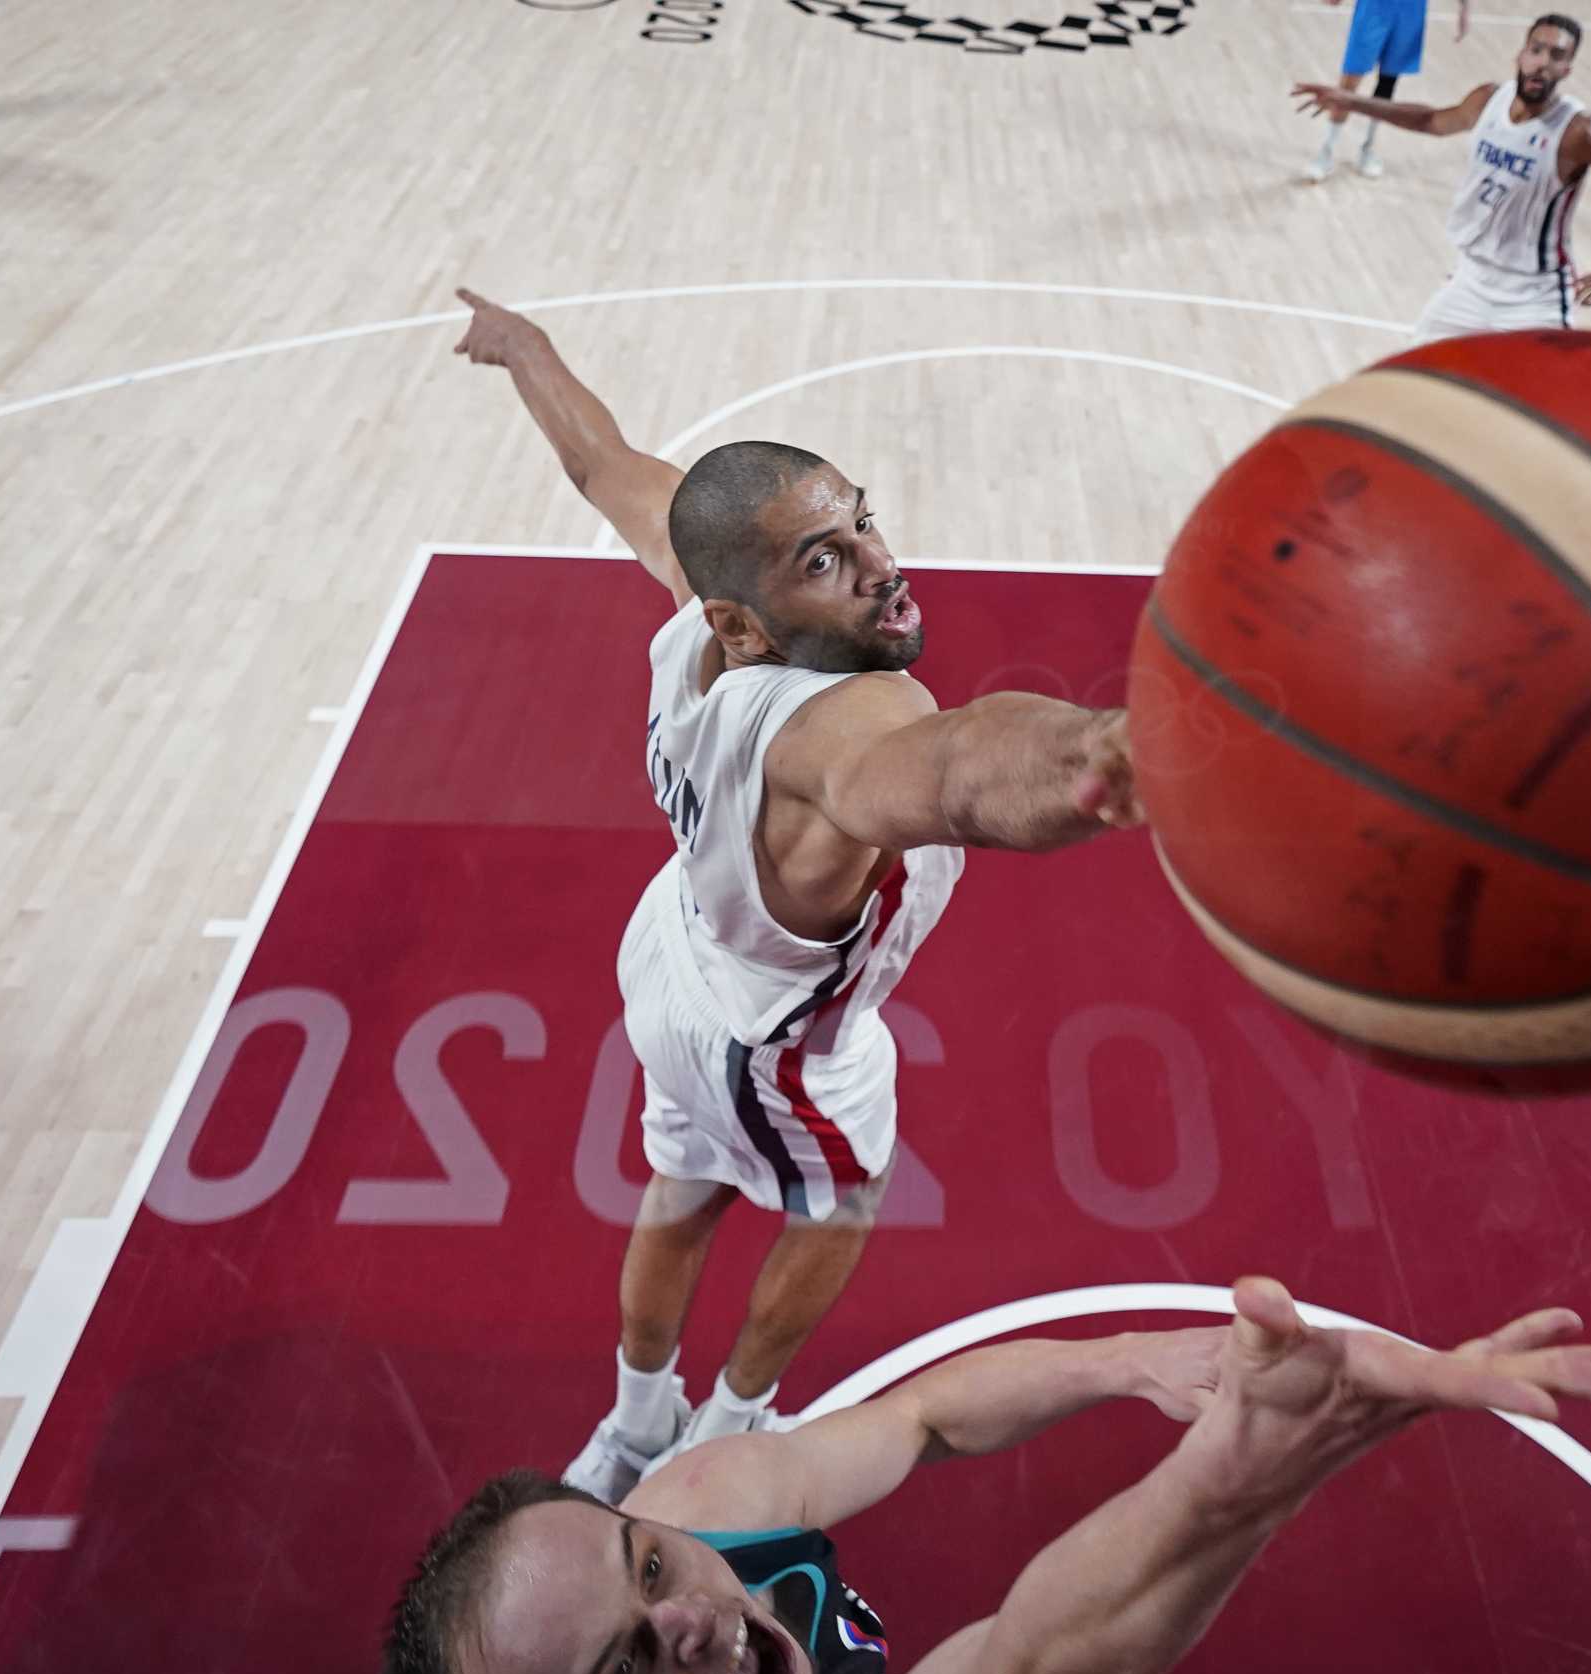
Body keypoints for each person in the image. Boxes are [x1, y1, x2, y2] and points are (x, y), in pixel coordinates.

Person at [452, 289, 1145, 1503]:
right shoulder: (845, 728)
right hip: (769, 1037)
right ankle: (735, 1418)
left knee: (680, 1187)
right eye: (826, 560)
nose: (883, 565)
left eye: (864, 523)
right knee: (842, 1199)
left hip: (669, 951)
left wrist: (523, 347)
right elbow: (964, 770)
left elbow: (597, 459)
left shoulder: (702, 595)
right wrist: (1108, 755)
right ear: (748, 621)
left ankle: (630, 1425)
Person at [380, 1277, 1591, 1674]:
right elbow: (1030, 1669)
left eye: (643, 1568)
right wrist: (1249, 1474)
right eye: (622, 1673)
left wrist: (1126, 1361)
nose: (685, 1617)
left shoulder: (698, 1504)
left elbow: (921, 1417)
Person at [1292, 15, 1591, 341]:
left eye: (1556, 56)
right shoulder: (1488, 101)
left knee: (1529, 412)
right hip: (1470, 279)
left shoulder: (1582, 132)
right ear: (1521, 54)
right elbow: (1430, 120)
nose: (1542, 62)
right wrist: (1354, 102)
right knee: (1417, 386)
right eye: (1537, 49)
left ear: (1566, 70)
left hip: (1534, 296)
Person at [1302, 0, 1469, 184]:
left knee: (1388, 82)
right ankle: (1326, 151)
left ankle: (1367, 148)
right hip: (1374, 7)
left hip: (1411, 11)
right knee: (1349, 82)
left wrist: (1464, 8)